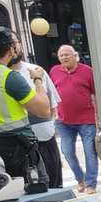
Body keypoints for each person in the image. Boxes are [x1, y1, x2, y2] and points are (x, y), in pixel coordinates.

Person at [0, 27, 51, 185]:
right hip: (22, 150)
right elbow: (43, 111)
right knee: (37, 196)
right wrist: (38, 80)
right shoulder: (8, 77)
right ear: (11, 49)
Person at [9, 40, 63, 188]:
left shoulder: (37, 70)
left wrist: (48, 126)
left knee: (53, 186)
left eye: (14, 43)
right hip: (14, 147)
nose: (12, 48)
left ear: (20, 44)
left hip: (45, 140)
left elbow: (52, 106)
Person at [50, 44, 98, 193]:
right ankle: (80, 178)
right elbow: (50, 93)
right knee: (67, 151)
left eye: (67, 54)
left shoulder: (87, 71)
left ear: (74, 55)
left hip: (86, 120)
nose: (64, 57)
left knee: (89, 151)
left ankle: (91, 183)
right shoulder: (54, 71)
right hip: (63, 120)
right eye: (61, 55)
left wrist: (100, 116)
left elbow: (97, 94)